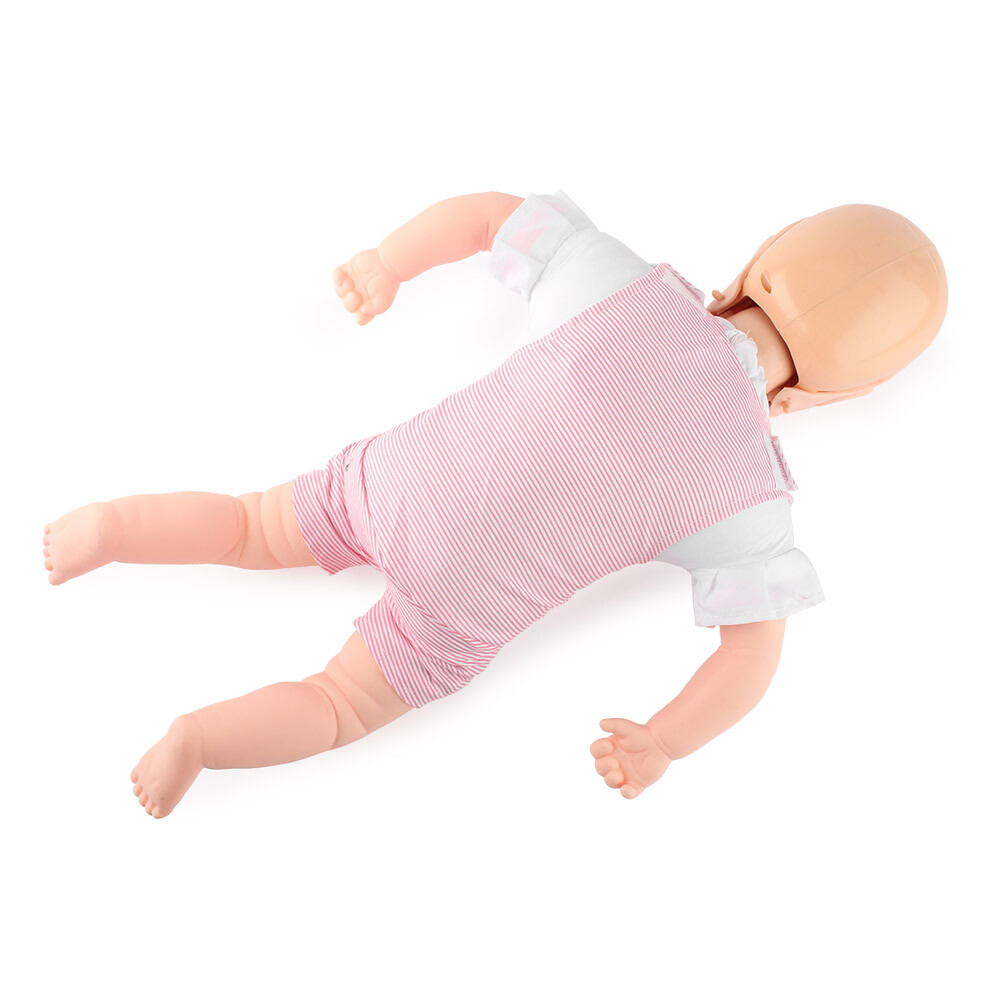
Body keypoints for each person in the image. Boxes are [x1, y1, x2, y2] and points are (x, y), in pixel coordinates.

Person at [42, 190, 946, 818]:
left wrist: (387, 262)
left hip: (401, 481)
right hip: (463, 603)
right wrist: (662, 741)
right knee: (335, 702)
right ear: (834, 396)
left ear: (757, 260)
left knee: (249, 525)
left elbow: (489, 217)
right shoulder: (749, 498)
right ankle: (198, 740)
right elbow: (752, 658)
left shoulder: (620, 284)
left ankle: (112, 528)